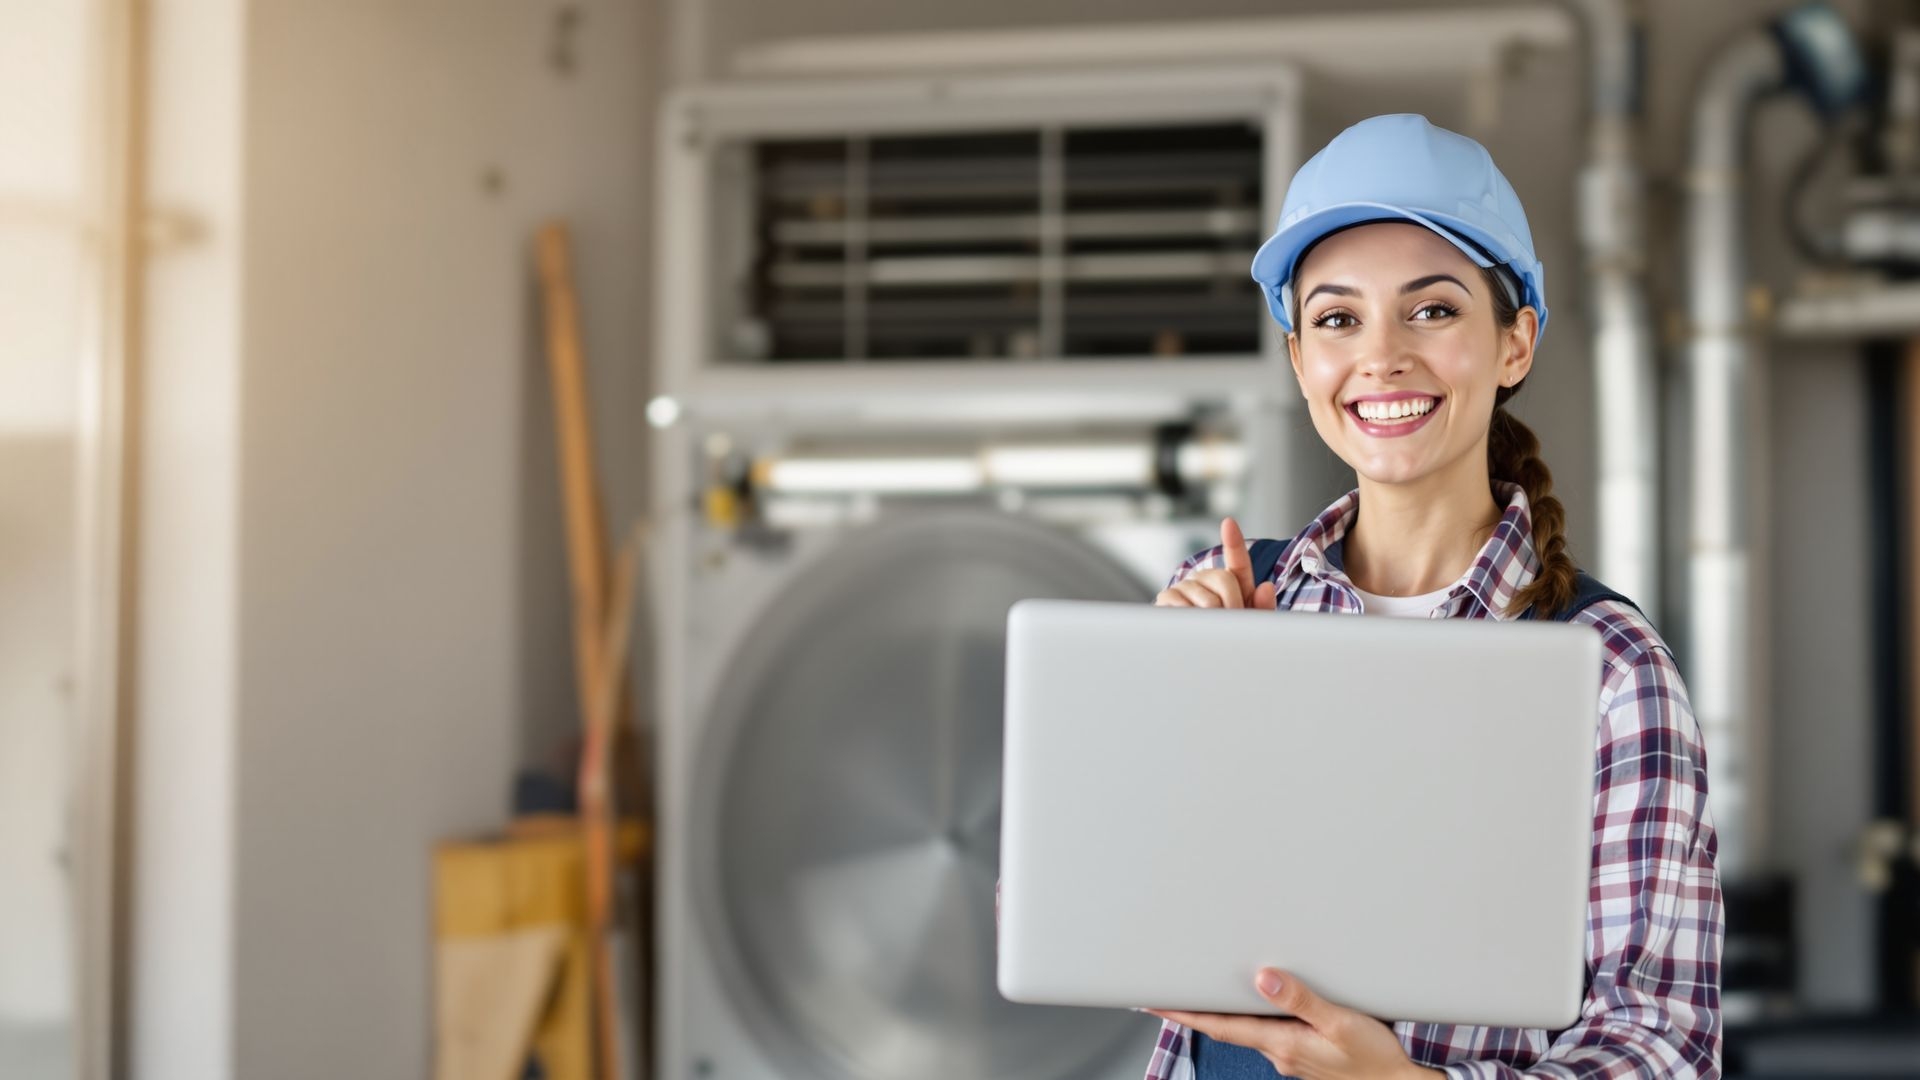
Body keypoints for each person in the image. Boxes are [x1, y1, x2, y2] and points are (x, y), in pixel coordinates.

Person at [1142, 115, 1723, 1078]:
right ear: (1300, 361)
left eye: (1433, 310)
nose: (1381, 356)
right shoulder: (1229, 604)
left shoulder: (1608, 669)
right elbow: (1074, 923)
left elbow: (1661, 1045)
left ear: (1515, 343)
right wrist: (1171, 726)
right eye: (1336, 319)